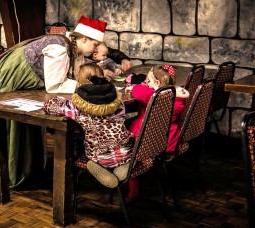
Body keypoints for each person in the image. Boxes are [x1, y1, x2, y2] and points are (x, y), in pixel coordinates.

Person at [0, 15, 108, 189]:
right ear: (84, 38)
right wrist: (82, 86)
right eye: (95, 44)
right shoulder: (60, 48)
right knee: (14, 122)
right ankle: (12, 174)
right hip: (14, 74)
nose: (96, 49)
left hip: (27, 78)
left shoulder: (73, 49)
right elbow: (54, 85)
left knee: (30, 127)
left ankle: (30, 171)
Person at [44, 63, 135, 188]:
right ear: (103, 78)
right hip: (126, 150)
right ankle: (125, 163)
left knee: (91, 155)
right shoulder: (118, 102)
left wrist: (60, 99)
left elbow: (51, 106)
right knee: (124, 150)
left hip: (99, 155)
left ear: (80, 84)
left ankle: (95, 165)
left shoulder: (78, 108)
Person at [125, 64, 190, 202]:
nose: (146, 84)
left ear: (158, 83)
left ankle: (133, 190)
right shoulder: (177, 97)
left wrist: (133, 87)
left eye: (148, 81)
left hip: (146, 140)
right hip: (169, 140)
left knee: (127, 151)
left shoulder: (154, 96)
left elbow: (140, 91)